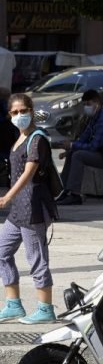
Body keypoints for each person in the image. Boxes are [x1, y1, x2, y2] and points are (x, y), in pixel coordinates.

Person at [0, 94, 59, 324]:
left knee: (37, 259)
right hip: (19, 211)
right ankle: (13, 304)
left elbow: (29, 172)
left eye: (23, 111)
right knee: (2, 252)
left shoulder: (37, 138)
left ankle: (45, 309)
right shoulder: (19, 137)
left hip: (34, 206)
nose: (19, 116)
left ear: (31, 111)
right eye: (14, 112)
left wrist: (7, 197)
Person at [57, 89, 103, 205]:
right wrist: (70, 148)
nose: (86, 107)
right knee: (73, 153)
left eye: (88, 104)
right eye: (85, 104)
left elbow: (93, 146)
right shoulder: (94, 118)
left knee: (78, 156)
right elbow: (84, 138)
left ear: (97, 104)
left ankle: (75, 194)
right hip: (102, 153)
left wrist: (72, 145)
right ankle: (63, 190)